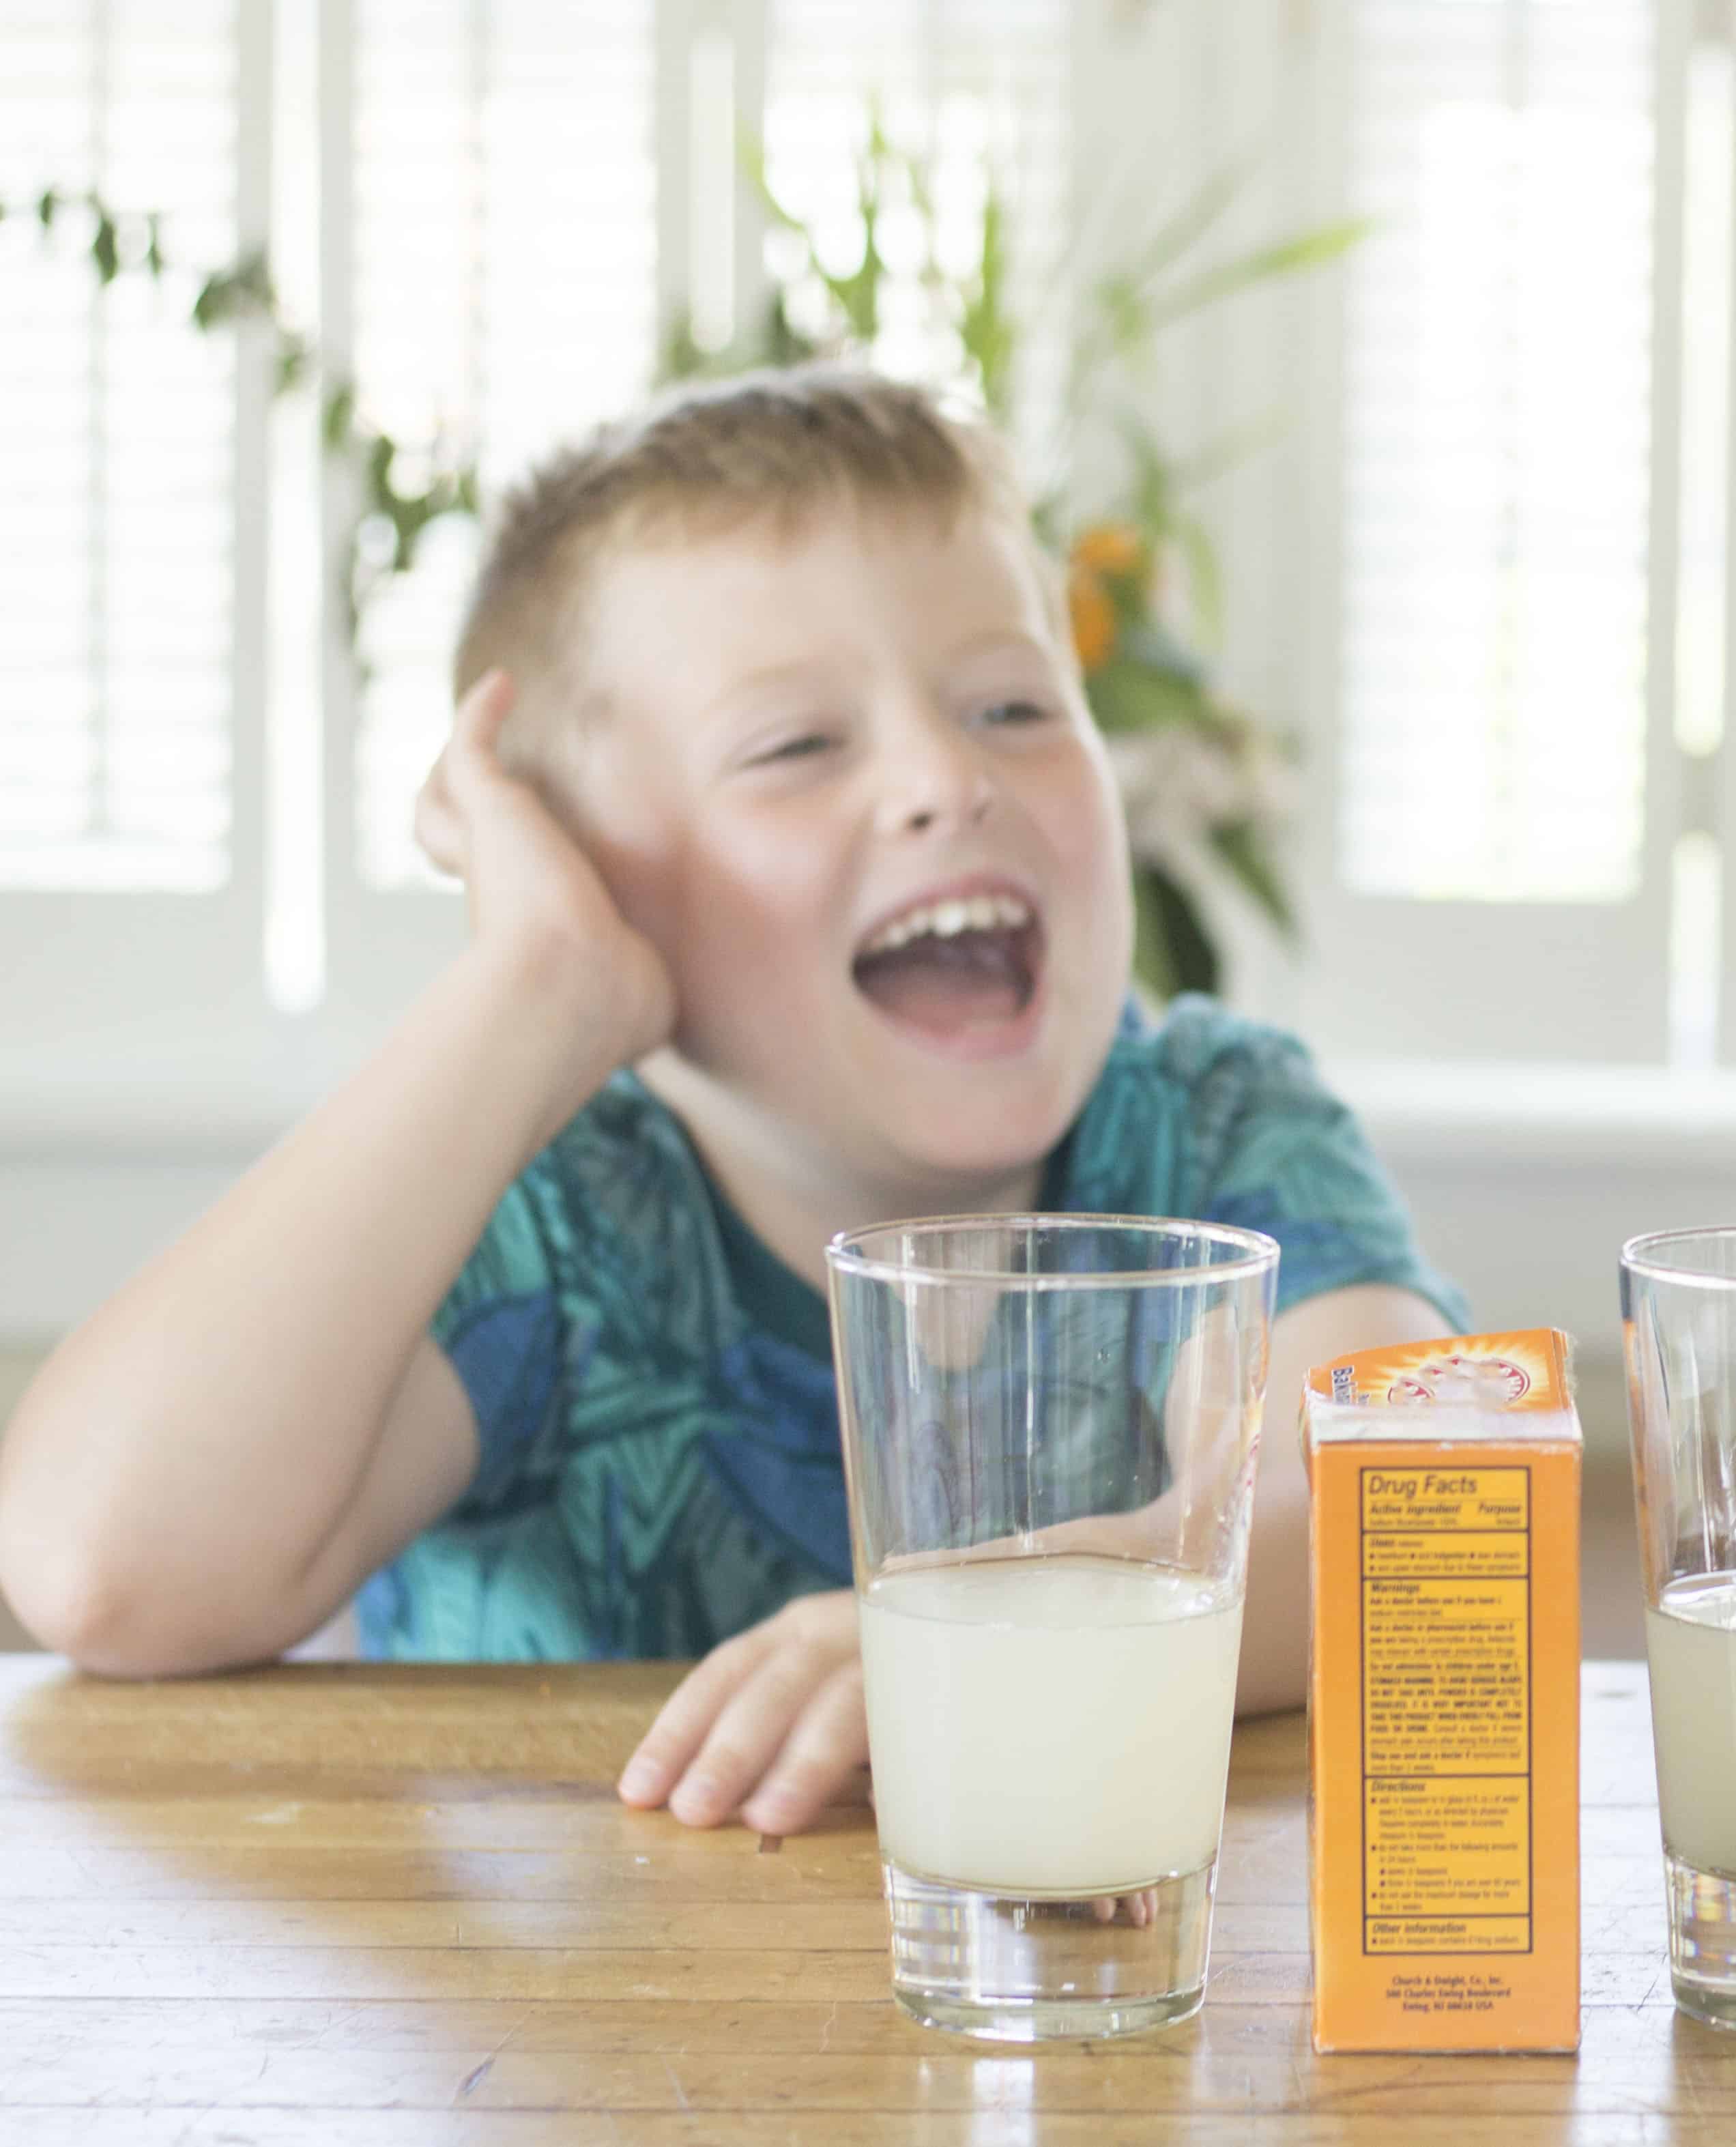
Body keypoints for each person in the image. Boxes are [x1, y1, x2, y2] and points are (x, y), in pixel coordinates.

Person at [0, 369, 1462, 1836]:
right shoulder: (558, 1220)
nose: (947, 779)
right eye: (796, 746)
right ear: (600, 871)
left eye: (1013, 706)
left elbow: (1424, 1516)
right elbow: (98, 1569)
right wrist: (532, 984)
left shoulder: (1209, 1127)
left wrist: (980, 1634)